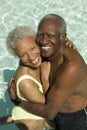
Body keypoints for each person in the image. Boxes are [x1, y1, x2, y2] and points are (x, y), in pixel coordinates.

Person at [8, 14, 87, 130]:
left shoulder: (71, 67)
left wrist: (17, 101)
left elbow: (49, 112)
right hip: (56, 112)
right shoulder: (42, 49)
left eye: (50, 36)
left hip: (74, 116)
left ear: (63, 37)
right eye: (40, 35)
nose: (44, 41)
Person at [6, 26, 54, 130]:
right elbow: (50, 107)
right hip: (30, 119)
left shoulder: (43, 54)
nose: (31, 57)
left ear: (38, 43)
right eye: (23, 55)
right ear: (18, 57)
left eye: (32, 48)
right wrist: (45, 78)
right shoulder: (25, 82)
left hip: (30, 106)